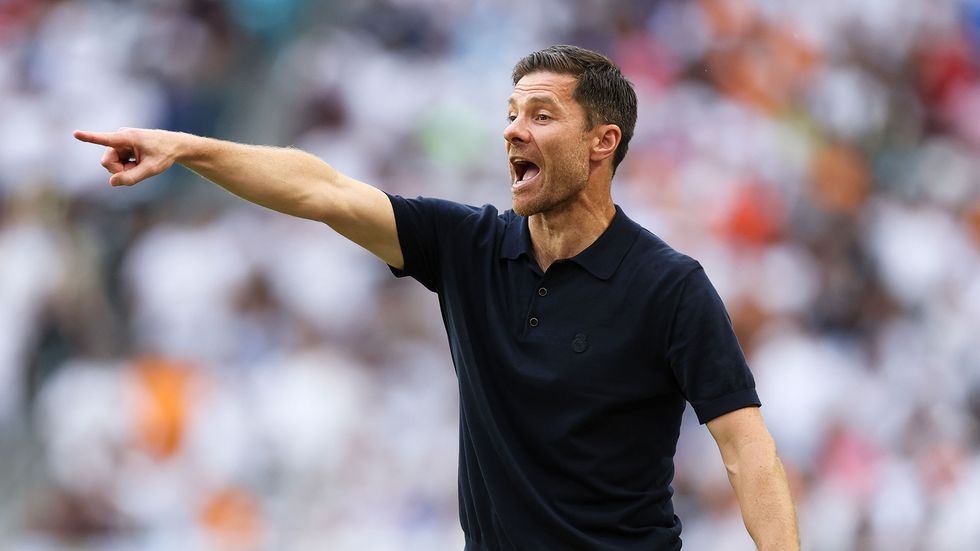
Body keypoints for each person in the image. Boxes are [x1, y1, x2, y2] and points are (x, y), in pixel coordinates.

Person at [75, 44, 799, 550]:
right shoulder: (468, 246)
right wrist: (188, 148)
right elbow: (321, 190)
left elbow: (747, 450)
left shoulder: (669, 285)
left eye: (541, 115)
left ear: (602, 142)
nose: (513, 129)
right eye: (511, 113)